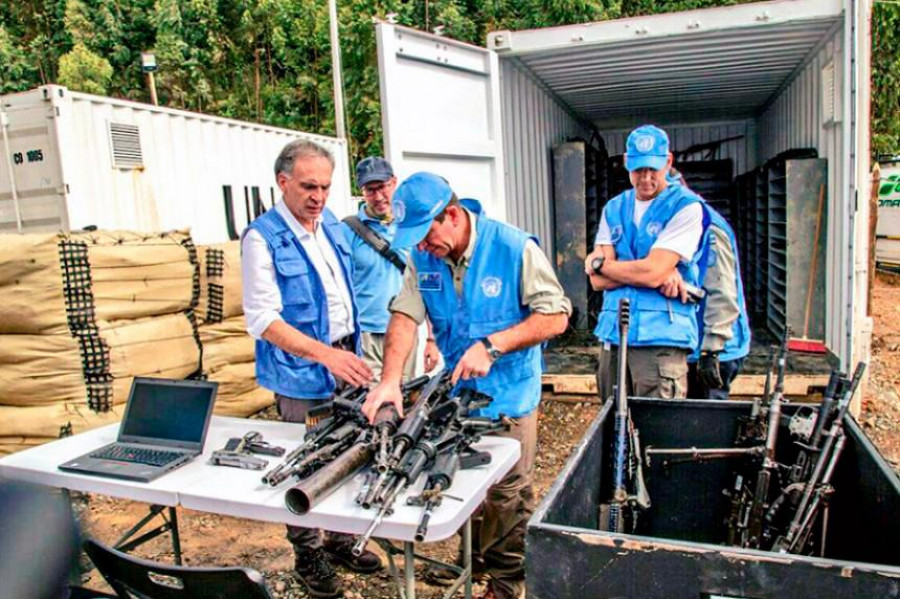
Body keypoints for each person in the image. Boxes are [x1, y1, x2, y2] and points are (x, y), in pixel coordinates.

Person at [362, 172, 571, 599]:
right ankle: (471, 559)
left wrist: (493, 346)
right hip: (459, 396)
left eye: (425, 234)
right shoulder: (423, 259)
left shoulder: (514, 248)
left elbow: (556, 316)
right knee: (460, 481)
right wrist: (388, 382)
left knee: (508, 493)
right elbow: (404, 315)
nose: (421, 246)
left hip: (509, 394)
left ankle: (506, 583)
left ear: (453, 215)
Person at [241, 139, 380, 598]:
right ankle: (308, 553)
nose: (318, 196)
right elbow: (262, 319)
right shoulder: (263, 238)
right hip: (303, 371)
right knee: (305, 463)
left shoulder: (332, 228)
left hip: (347, 359)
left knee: (350, 450)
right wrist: (325, 354)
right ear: (283, 182)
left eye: (325, 186)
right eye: (308, 186)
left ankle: (340, 539)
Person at [584, 124, 706, 402]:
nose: (646, 178)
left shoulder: (686, 206)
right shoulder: (614, 207)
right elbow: (597, 281)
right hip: (613, 335)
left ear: (669, 161)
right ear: (626, 162)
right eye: (638, 169)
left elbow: (650, 273)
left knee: (656, 433)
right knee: (611, 431)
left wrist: (602, 263)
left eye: (654, 168)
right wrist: (651, 270)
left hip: (660, 339)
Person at [344, 156, 441, 379]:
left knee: (403, 397)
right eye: (370, 190)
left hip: (406, 329)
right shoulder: (348, 230)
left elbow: (428, 283)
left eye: (383, 187)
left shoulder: (411, 228)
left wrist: (432, 338)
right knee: (374, 402)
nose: (378, 197)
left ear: (394, 182)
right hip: (366, 334)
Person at [667, 169, 751, 399]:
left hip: (715, 349)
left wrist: (711, 350)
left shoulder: (709, 228)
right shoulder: (679, 223)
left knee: (706, 422)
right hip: (695, 343)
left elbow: (722, 290)